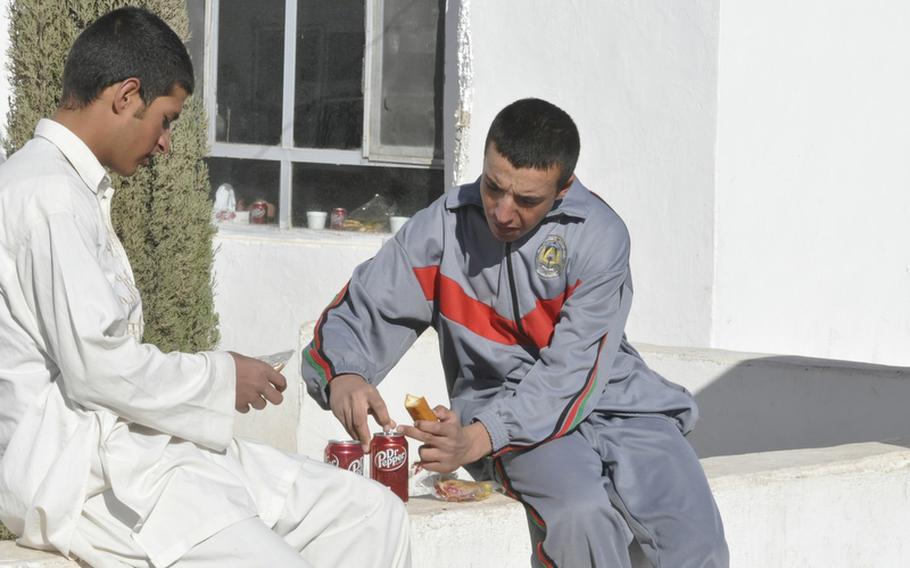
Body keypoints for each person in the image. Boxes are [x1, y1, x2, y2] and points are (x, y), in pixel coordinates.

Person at [0, 8, 409, 567]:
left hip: (138, 448)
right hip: (83, 475)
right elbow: (99, 368)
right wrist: (221, 377)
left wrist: (216, 380)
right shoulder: (48, 196)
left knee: (371, 515)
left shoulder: (69, 189)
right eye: (165, 119)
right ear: (126, 96)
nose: (166, 142)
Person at [302, 98, 728, 567]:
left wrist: (476, 439)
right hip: (511, 420)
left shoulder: (600, 237)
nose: (503, 212)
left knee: (696, 541)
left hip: (623, 407)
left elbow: (571, 374)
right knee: (581, 520)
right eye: (493, 188)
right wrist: (345, 374)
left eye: (526, 200)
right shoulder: (442, 229)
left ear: (563, 188)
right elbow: (363, 307)